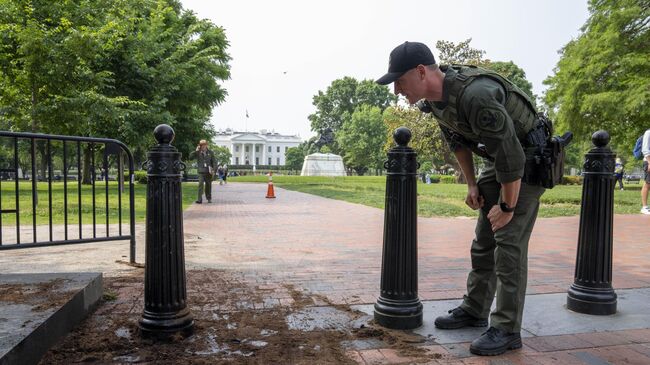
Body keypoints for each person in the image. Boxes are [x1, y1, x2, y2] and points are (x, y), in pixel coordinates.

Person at [377, 41, 546, 356]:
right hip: (499, 161)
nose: (397, 91)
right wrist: (471, 184)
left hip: (529, 162)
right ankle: (475, 308)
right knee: (484, 241)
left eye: (399, 81)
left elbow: (512, 156)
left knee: (507, 244)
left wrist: (507, 206)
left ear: (421, 71)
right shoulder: (435, 101)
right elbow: (456, 140)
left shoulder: (476, 95)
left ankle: (507, 329)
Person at [641, 129, 650, 215]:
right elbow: (645, 149)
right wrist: (649, 162)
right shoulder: (648, 132)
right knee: (647, 183)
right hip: (648, 161)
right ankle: (644, 207)